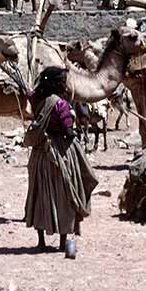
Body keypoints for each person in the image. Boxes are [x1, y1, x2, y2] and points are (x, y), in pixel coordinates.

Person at [24, 67, 98, 259]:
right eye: (63, 81)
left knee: (40, 195)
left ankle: (40, 242)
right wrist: (73, 123)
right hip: (59, 154)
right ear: (57, 83)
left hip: (40, 154)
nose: (66, 84)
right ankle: (62, 241)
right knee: (65, 195)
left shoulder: (36, 99)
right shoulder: (60, 105)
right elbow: (67, 128)